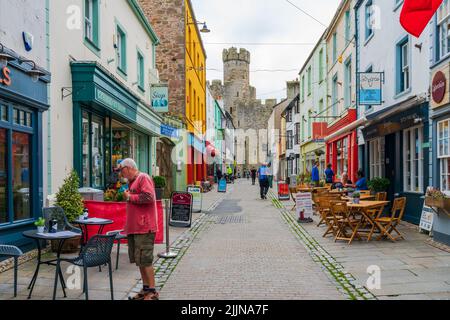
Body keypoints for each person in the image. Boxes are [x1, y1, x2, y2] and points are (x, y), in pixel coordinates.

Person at [119, 158, 159, 300]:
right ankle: (145, 289)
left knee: (146, 260)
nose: (121, 174)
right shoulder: (132, 182)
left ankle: (152, 292)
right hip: (136, 228)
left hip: (145, 227)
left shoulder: (143, 178)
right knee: (140, 260)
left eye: (121, 170)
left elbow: (149, 197)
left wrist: (130, 197)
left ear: (128, 168)